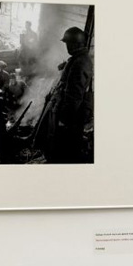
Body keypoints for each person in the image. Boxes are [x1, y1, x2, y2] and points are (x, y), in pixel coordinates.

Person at [45, 26, 94, 163]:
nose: (66, 47)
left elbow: (74, 96)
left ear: (75, 44)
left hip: (72, 116)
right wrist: (65, 65)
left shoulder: (80, 63)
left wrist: (64, 119)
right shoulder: (79, 58)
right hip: (73, 114)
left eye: (67, 43)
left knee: (65, 147)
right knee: (66, 144)